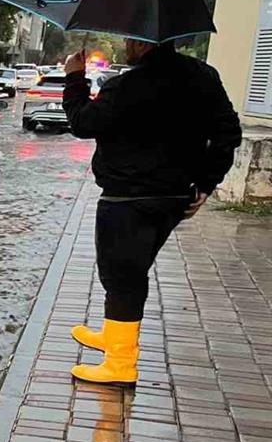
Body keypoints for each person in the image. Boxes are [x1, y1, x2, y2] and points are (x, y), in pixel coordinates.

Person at [62, 39, 241, 386]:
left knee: (122, 278)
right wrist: (206, 184)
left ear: (144, 42)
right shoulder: (203, 76)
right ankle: (116, 334)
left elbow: (83, 123)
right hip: (174, 197)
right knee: (132, 271)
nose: (127, 44)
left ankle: (120, 364)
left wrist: (74, 77)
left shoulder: (126, 86)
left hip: (127, 199)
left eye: (131, 40)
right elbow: (228, 134)